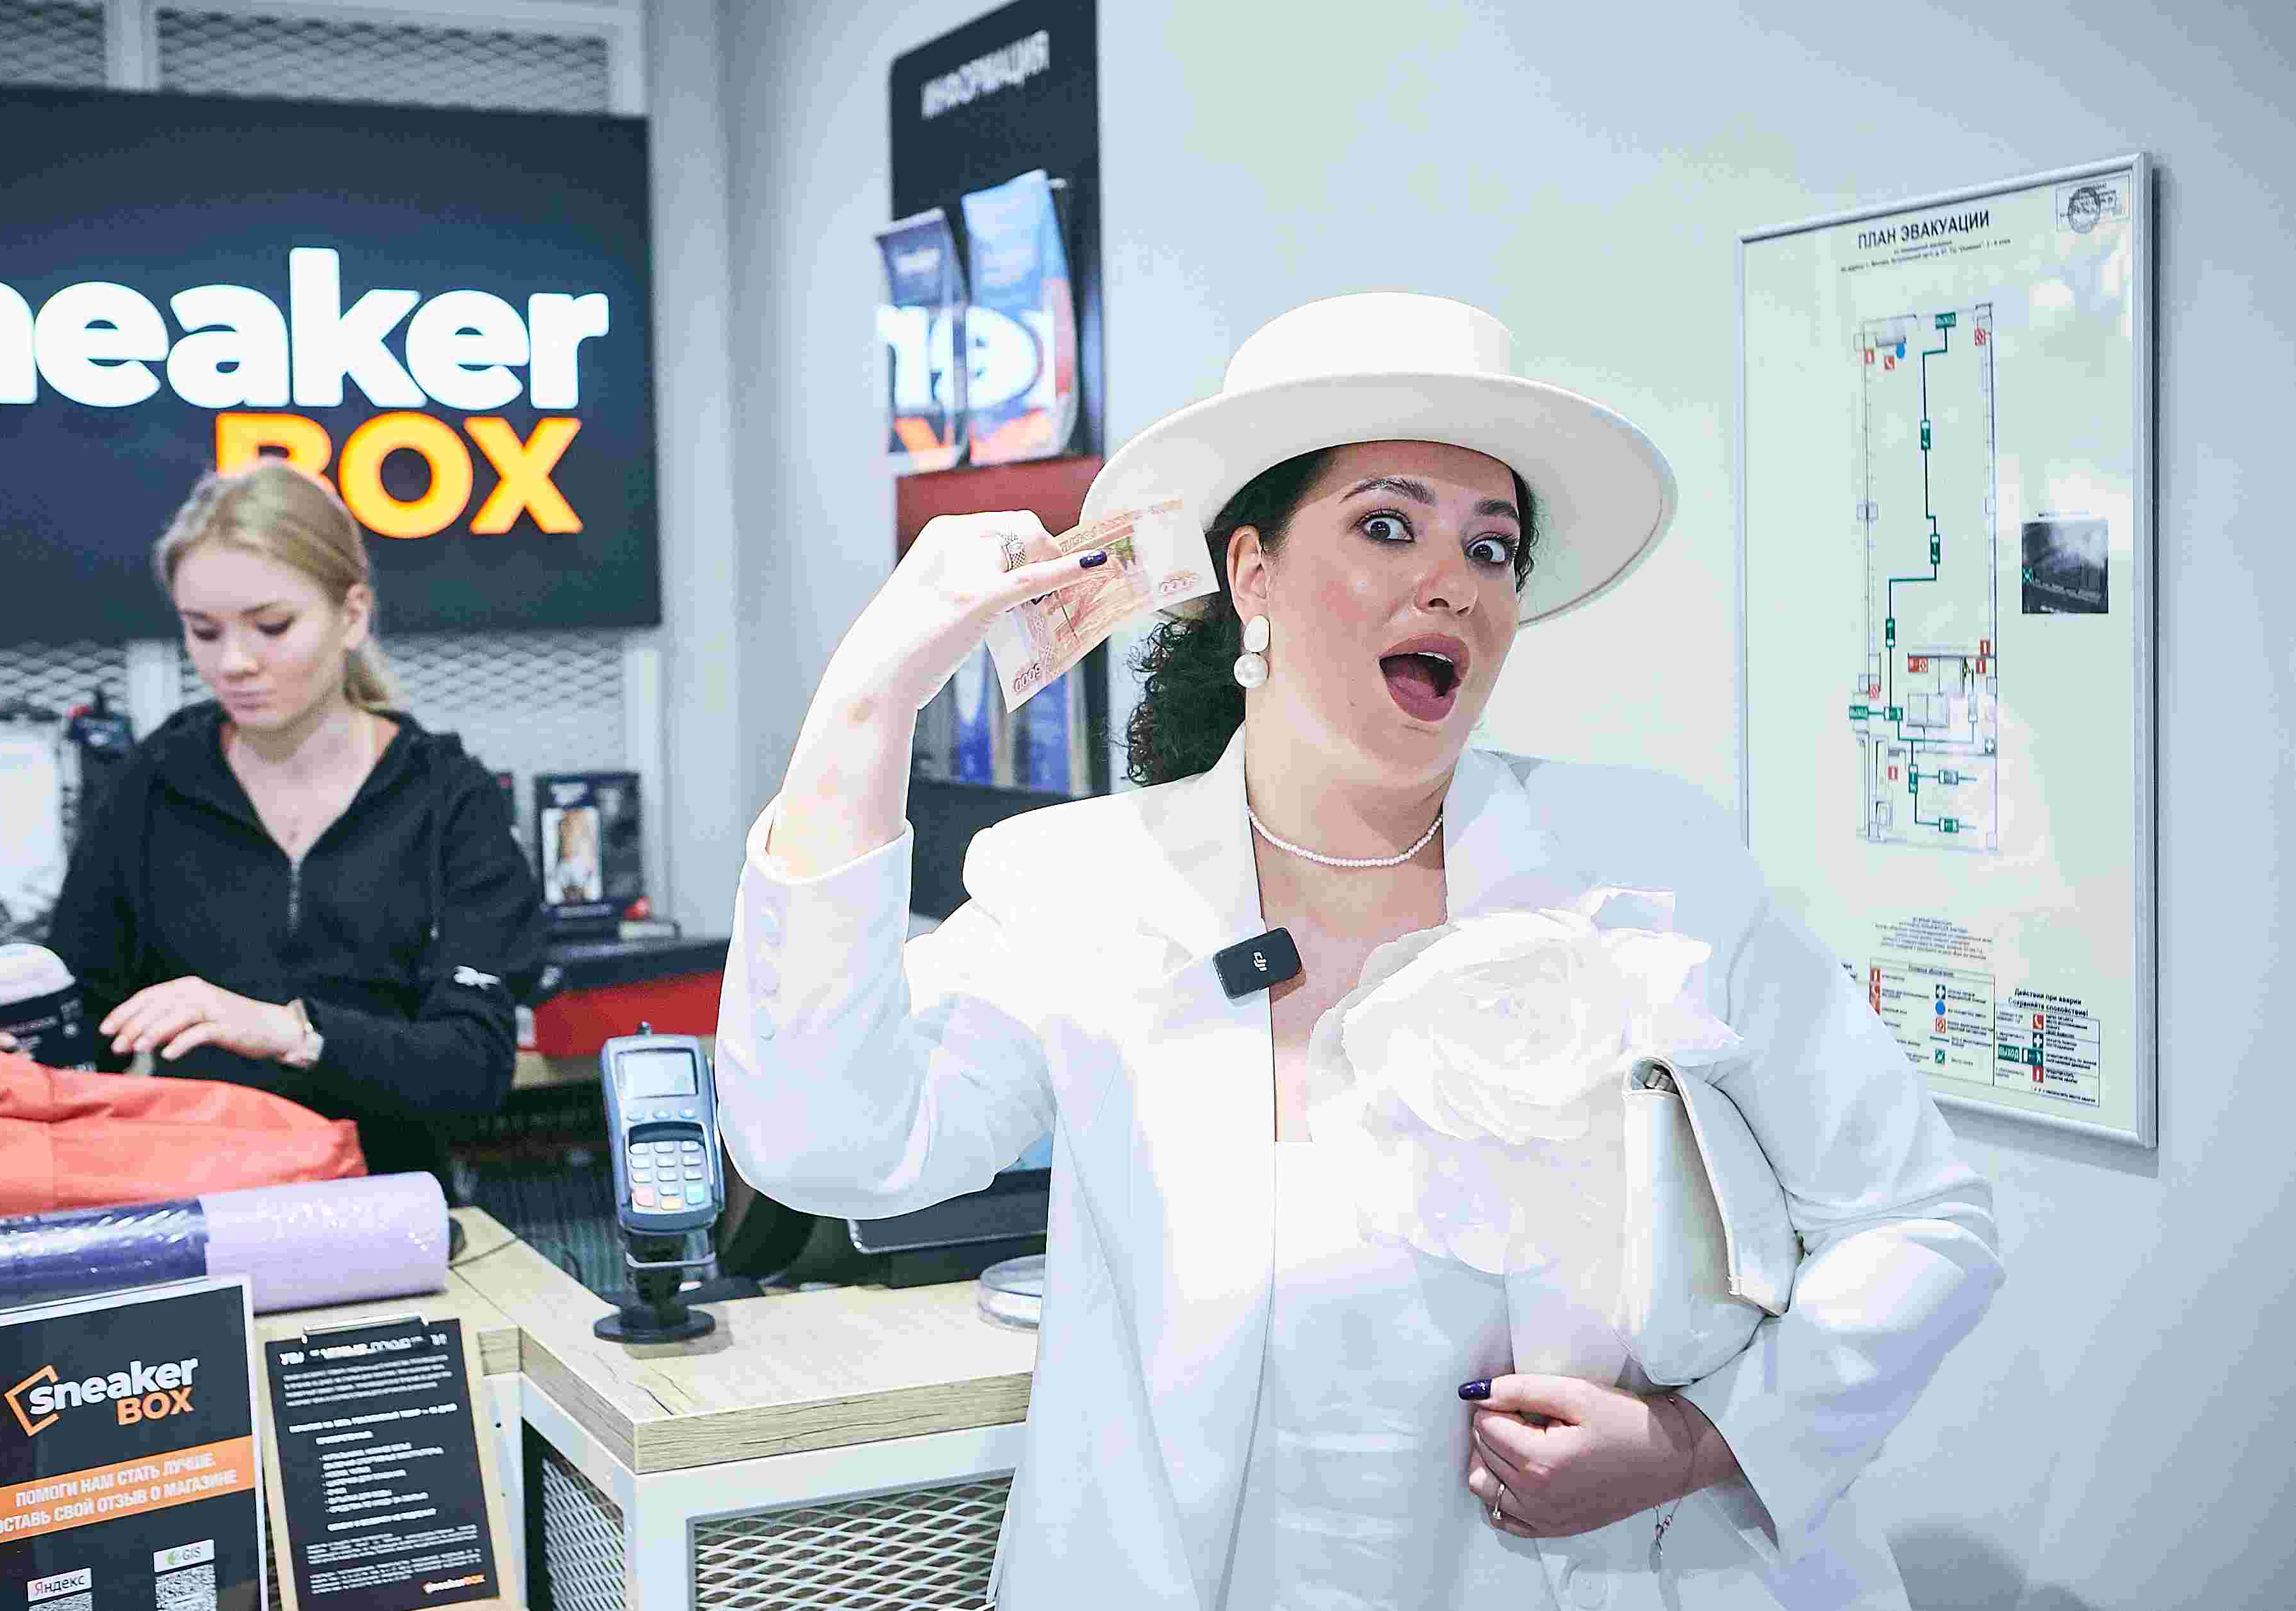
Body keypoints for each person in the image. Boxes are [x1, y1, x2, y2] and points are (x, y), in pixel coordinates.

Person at [714, 294, 2003, 1610]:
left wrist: (1697, 1441)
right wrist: (870, 696)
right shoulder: (1086, 891)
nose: (1453, 583)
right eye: (1387, 525)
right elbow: (826, 1140)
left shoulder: (1649, 865)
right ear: (1251, 574)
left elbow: (1921, 1218)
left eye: (1491, 548)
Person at [0, 460, 547, 1184]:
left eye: (272, 627)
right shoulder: (154, 784)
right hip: (192, 1206)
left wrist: (289, 1031)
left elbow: (473, 1070)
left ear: (352, 615)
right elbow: (88, 1031)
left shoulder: (449, 800)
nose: (233, 662)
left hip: (396, 1208)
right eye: (203, 631)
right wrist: (10, 1051)